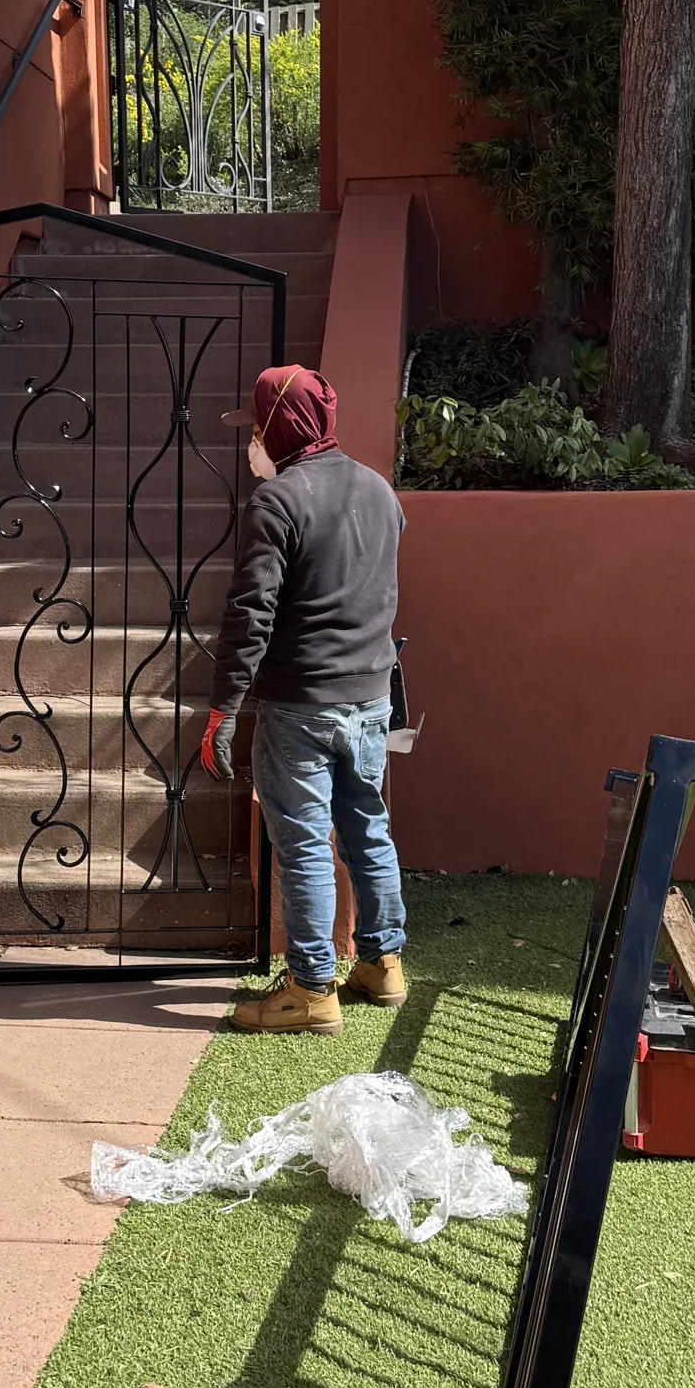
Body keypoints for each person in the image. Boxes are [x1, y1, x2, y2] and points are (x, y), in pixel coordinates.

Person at [200, 365, 406, 1034]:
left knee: (305, 845)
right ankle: (382, 964)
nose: (250, 445)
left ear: (277, 430)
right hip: (370, 697)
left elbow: (249, 614)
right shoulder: (379, 491)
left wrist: (223, 709)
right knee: (367, 828)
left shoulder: (276, 502)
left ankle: (311, 990)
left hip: (301, 704)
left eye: (256, 431)